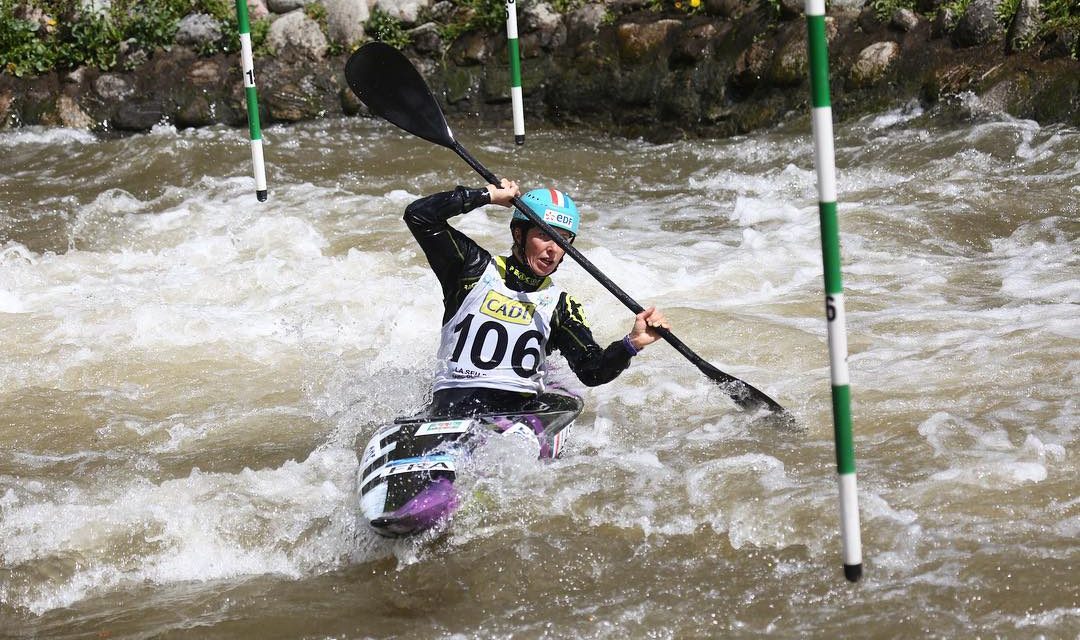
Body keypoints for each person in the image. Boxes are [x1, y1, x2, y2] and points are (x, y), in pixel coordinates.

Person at [404, 178, 670, 417]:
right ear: (519, 234)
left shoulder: (561, 306)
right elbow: (419, 216)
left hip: (515, 415)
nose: (553, 250)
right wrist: (485, 195)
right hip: (449, 406)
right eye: (544, 235)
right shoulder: (471, 269)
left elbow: (592, 371)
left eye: (563, 240)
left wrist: (632, 343)